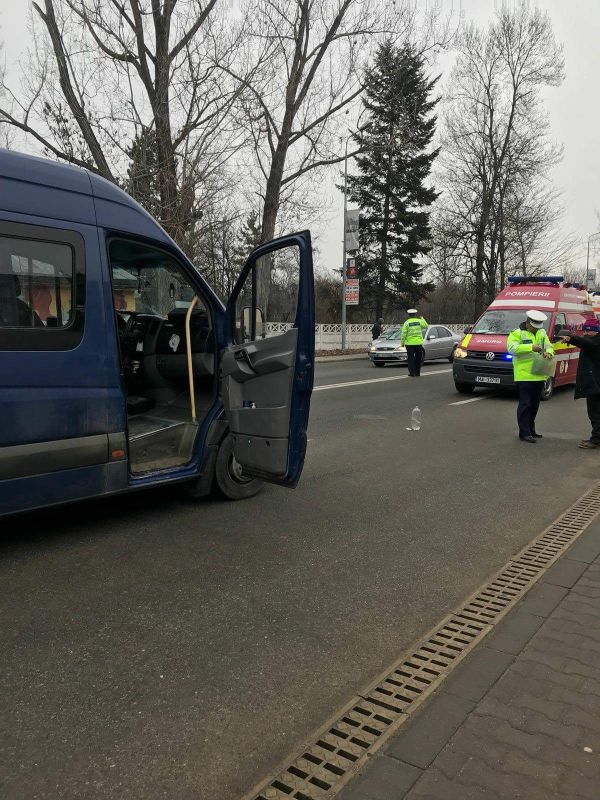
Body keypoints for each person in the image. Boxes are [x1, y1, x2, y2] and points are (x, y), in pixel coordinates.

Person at [507, 309, 554, 443]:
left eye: (538, 326)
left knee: (534, 405)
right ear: (528, 322)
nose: (536, 329)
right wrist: (530, 347)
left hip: (539, 374)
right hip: (524, 375)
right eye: (534, 326)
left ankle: (531, 429)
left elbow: (549, 346)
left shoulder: (542, 332)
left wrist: (549, 353)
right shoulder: (517, 333)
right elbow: (512, 349)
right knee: (525, 404)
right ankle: (524, 432)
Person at [559, 319, 600, 449]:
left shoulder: (596, 341)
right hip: (595, 382)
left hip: (596, 383)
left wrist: (571, 338)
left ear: (596, 331)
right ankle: (596, 437)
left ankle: (595, 440)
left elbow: (586, 343)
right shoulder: (592, 340)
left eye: (590, 330)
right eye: (585, 330)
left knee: (595, 412)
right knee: (594, 412)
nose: (586, 333)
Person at [400, 308, 428, 377]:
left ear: (409, 315)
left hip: (409, 344)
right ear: (415, 314)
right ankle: (418, 373)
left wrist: (402, 343)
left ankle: (412, 373)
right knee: (418, 358)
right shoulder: (419, 321)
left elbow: (403, 334)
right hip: (418, 343)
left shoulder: (406, 322)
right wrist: (422, 318)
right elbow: (426, 325)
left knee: (411, 358)